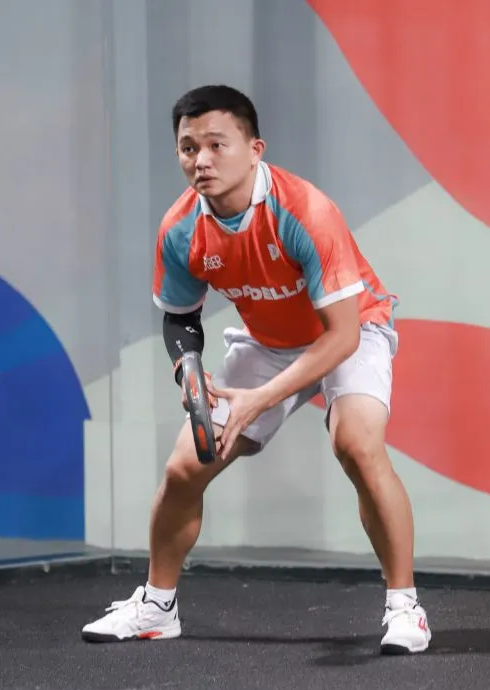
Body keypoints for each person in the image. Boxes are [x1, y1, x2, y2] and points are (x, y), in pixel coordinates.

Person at [81, 84, 432, 654]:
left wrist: (257, 400)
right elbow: (180, 320)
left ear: (254, 149)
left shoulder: (306, 211)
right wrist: (188, 371)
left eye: (216, 144)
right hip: (268, 340)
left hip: (351, 328)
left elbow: (342, 335)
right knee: (184, 468)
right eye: (188, 147)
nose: (201, 160)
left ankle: (405, 607)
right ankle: (156, 607)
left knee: (356, 444)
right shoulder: (180, 229)